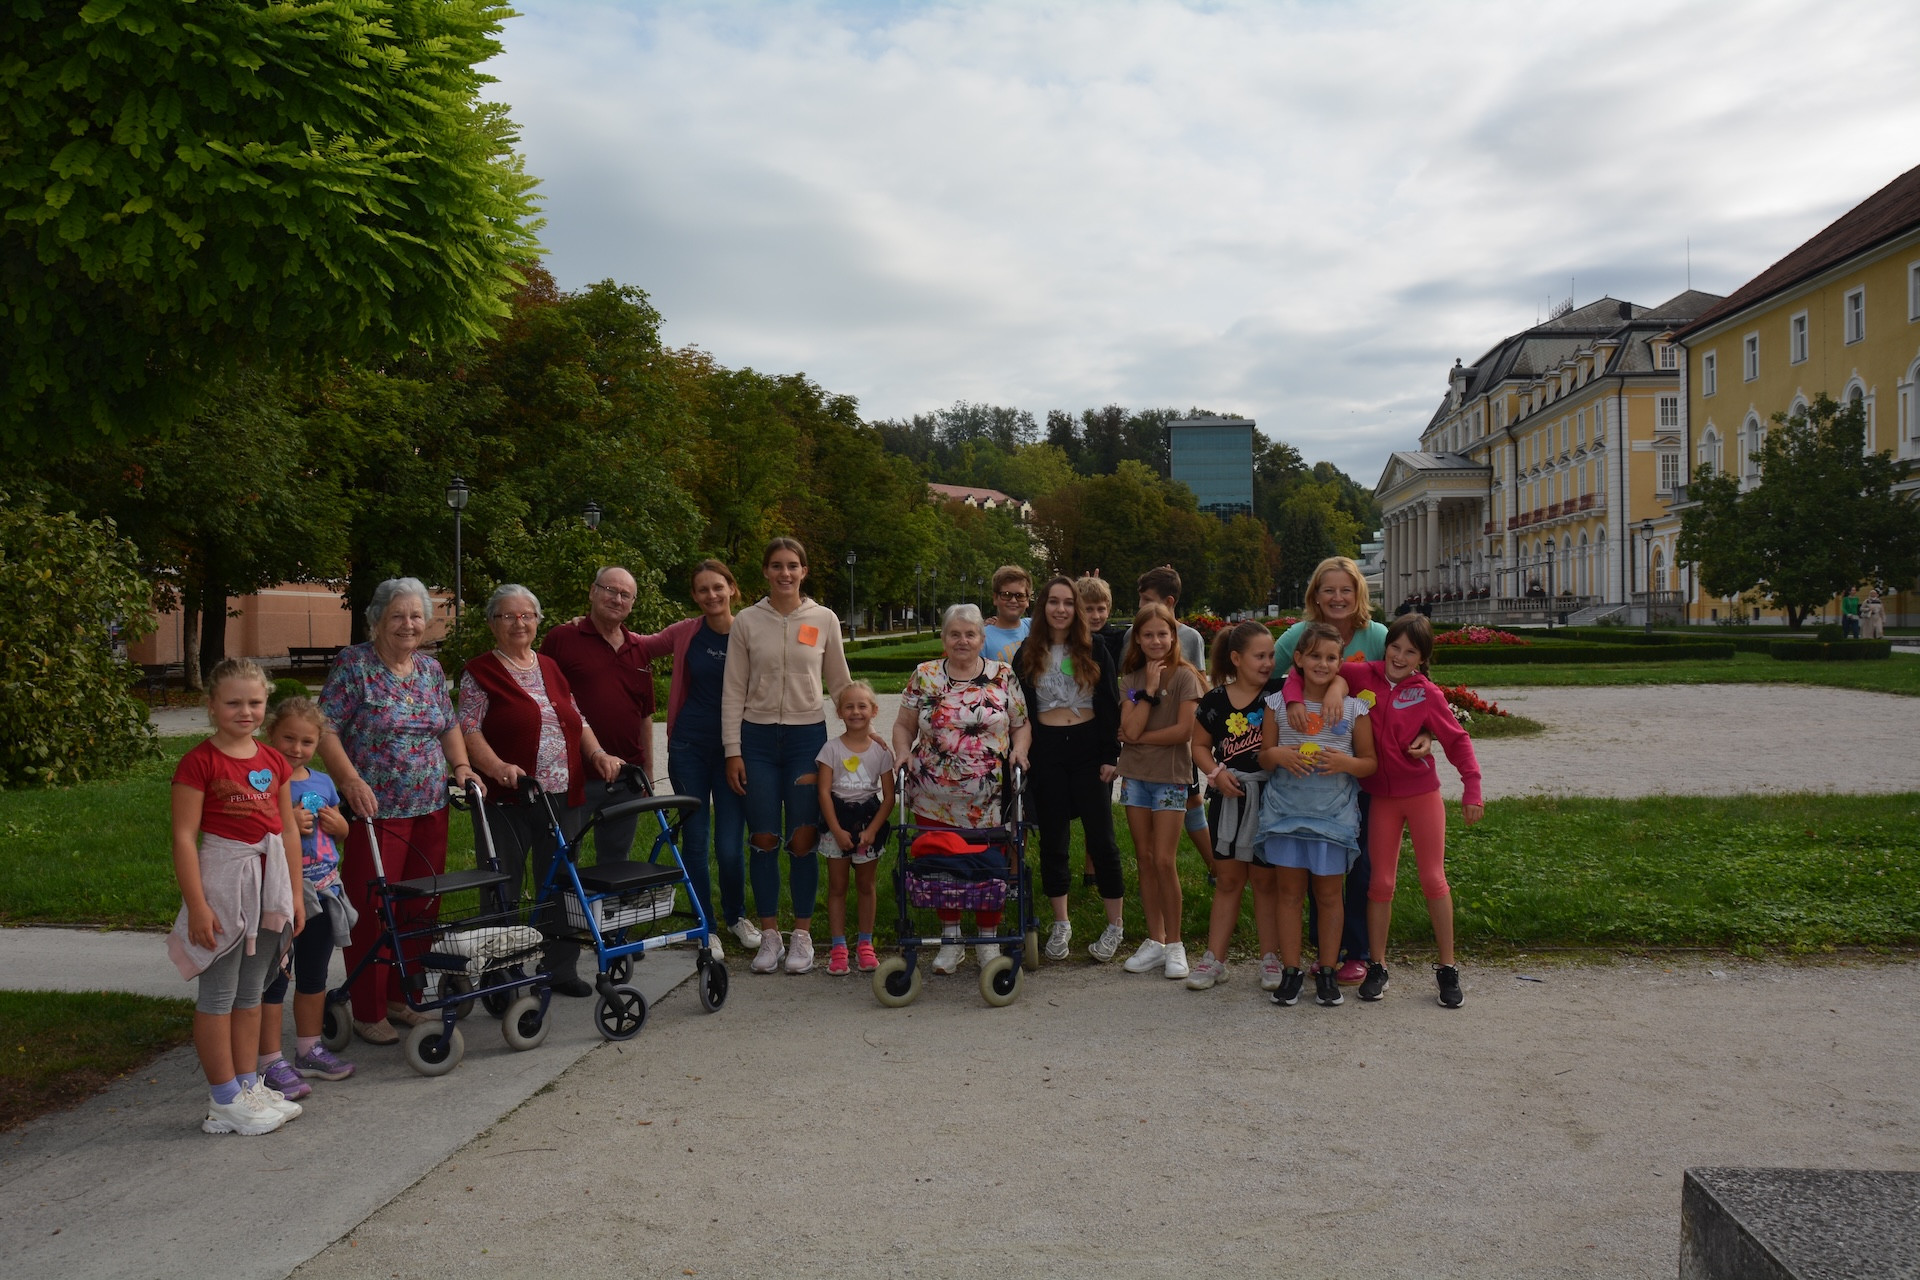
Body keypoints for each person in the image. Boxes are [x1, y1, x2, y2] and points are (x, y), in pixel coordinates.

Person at [318, 577, 483, 1046]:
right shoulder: (355, 666)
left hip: (430, 806)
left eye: (416, 616)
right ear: (377, 620)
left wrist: (462, 767)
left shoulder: (430, 669)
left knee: (419, 907)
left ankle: (402, 997)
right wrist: (349, 781)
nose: (408, 624)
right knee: (374, 908)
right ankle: (368, 1009)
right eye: (398, 615)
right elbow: (325, 730)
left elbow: (448, 724)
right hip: (376, 811)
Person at [1297, 614, 1484, 1009]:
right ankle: (1377, 965)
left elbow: (1457, 739)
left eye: (1410, 651)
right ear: (1387, 646)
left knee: (1434, 879)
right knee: (1379, 884)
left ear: (1422, 657)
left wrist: (1472, 789)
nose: (1400, 656)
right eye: (1395, 647)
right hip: (1379, 798)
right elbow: (1318, 672)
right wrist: (1336, 690)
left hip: (1421, 795)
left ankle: (1447, 968)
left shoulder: (1427, 693)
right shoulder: (1367, 674)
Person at [459, 585, 625, 997]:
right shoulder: (479, 671)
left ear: (537, 621)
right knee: (503, 884)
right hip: (508, 796)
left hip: (562, 794)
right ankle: (500, 975)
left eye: (526, 615)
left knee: (561, 882)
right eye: (508, 616)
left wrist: (598, 754)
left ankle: (559, 969)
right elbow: (467, 728)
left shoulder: (550, 666)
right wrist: (496, 767)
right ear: (492, 623)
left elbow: (577, 717)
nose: (519, 623)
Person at [167, 659, 304, 1135]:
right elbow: (184, 838)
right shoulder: (199, 762)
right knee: (220, 992)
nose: (245, 711)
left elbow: (287, 829)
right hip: (225, 885)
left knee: (252, 992)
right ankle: (223, 1098)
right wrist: (199, 905)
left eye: (254, 702)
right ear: (211, 707)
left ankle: (248, 1085)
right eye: (233, 702)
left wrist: (296, 896)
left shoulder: (274, 760)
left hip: (271, 885)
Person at [723, 537, 852, 976]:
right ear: (765, 571)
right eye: (776, 565)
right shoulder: (746, 621)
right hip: (756, 741)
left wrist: (861, 736)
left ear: (804, 571)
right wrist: (733, 750)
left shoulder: (823, 618)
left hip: (804, 739)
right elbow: (733, 691)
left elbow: (840, 683)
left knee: (802, 839)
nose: (785, 573)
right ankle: (769, 935)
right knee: (762, 838)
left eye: (793, 565)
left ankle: (802, 935)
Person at [1272, 555, 1397, 987]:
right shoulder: (1295, 636)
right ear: (1315, 595)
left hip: (1367, 760)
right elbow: (1276, 677)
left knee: (1358, 861)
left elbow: (1410, 679)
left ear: (1358, 593)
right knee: (1313, 860)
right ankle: (1322, 950)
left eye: (1346, 589)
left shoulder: (1377, 634)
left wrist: (1341, 684)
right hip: (1312, 769)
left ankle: (1357, 950)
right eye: (1329, 589)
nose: (1337, 597)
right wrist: (1290, 699)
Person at [890, 603, 1031, 974]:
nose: (962, 640)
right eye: (955, 633)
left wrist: (1019, 750)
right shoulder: (924, 675)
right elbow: (903, 725)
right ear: (943, 639)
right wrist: (902, 753)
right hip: (933, 796)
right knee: (942, 867)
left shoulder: (1002, 674)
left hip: (991, 796)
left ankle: (988, 939)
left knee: (989, 866)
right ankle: (951, 940)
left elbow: (1021, 724)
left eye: (970, 634)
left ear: (982, 639)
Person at [626, 560, 755, 955]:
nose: (711, 596)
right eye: (702, 590)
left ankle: (736, 917)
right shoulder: (687, 632)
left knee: (731, 846)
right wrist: (599, 624)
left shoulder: (752, 630)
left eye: (718, 587)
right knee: (696, 842)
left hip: (736, 751)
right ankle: (707, 925)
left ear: (732, 588)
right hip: (689, 748)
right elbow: (639, 645)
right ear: (695, 596)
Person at [1256, 622, 1377, 1008]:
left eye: (1331, 657)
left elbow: (1370, 763)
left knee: (1329, 896)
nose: (1322, 664)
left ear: (1341, 662)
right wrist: (1278, 756)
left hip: (1333, 819)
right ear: (1299, 659)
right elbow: (1264, 755)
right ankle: (1291, 972)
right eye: (1315, 656)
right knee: (1289, 895)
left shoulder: (1356, 709)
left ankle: (1327, 970)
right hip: (1286, 815)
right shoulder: (1277, 704)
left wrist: (1346, 762)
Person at [1014, 576, 1127, 964]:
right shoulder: (1029, 651)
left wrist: (1112, 755)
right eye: (1053, 602)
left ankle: (1115, 924)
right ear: (1042, 607)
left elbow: (1111, 702)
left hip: (1087, 751)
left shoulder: (1094, 647)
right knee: (1054, 840)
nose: (1060, 609)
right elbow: (1020, 710)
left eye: (1067, 603)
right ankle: (1061, 922)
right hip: (1047, 753)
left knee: (1102, 840)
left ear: (1075, 609)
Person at [253, 698, 356, 1100]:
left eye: (307, 741)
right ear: (271, 735)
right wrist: (285, 822)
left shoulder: (322, 783)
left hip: (324, 888)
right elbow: (253, 831)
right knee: (275, 977)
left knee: (314, 974)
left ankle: (308, 1049)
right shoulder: (263, 780)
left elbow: (340, 833)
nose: (297, 748)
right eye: (288, 739)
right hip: (280, 891)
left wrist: (340, 824)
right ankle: (268, 1060)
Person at [1185, 621, 1284, 992]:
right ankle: (1215, 959)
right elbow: (1198, 747)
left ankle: (1270, 958)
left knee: (1265, 881)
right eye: (1260, 656)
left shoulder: (1279, 693)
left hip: (1271, 802)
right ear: (1237, 658)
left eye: (1271, 655)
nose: (1268, 663)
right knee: (1228, 881)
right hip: (1228, 802)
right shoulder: (1214, 701)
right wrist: (1214, 773)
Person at [539, 565, 657, 867]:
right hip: (573, 773)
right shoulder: (563, 638)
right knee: (564, 857)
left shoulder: (638, 649)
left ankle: (605, 914)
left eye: (625, 595)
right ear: (592, 592)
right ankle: (562, 914)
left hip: (626, 775)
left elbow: (645, 716)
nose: (617, 599)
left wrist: (648, 772)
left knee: (617, 859)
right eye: (609, 590)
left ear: (632, 603)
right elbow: (542, 699)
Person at [1116, 602, 1203, 980]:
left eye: (1162, 634)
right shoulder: (1130, 680)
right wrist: (1149, 690)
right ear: (1138, 637)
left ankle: (1176, 944)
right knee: (1145, 858)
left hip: (1170, 777)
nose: (1155, 640)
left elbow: (1184, 731)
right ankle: (1155, 940)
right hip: (1136, 777)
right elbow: (1127, 729)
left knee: (1165, 860)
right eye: (1148, 634)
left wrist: (1141, 737)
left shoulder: (1187, 677)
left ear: (1173, 636)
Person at [1123, 566, 1216, 870]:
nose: (1142, 606)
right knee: (1151, 849)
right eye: (1141, 600)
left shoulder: (1190, 638)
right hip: (1141, 750)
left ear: (1170, 601)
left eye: (1148, 599)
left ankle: (1215, 866)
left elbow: (1201, 688)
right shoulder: (1133, 637)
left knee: (1192, 801)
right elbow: (1130, 680)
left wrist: (1139, 737)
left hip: (1173, 748)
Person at [814, 682, 895, 976]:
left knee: (866, 886)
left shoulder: (881, 752)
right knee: (836, 887)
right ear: (839, 712)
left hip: (867, 824)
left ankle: (865, 944)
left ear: (873, 710)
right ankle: (838, 948)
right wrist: (835, 829)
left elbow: (889, 796)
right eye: (849, 706)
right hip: (836, 824)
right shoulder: (830, 749)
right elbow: (823, 793)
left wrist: (873, 830)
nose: (856, 712)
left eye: (862, 706)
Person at [1075, 574, 1128, 677]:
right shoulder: (1068, 639)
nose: (1096, 616)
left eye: (1101, 609)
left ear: (1108, 610)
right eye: (1088, 609)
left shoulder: (1119, 639)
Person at [981, 564, 1033, 664]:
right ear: (995, 598)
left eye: (1020, 596)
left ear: (1027, 600)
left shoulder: (1034, 627)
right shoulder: (983, 638)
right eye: (1006, 595)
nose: (1013, 600)